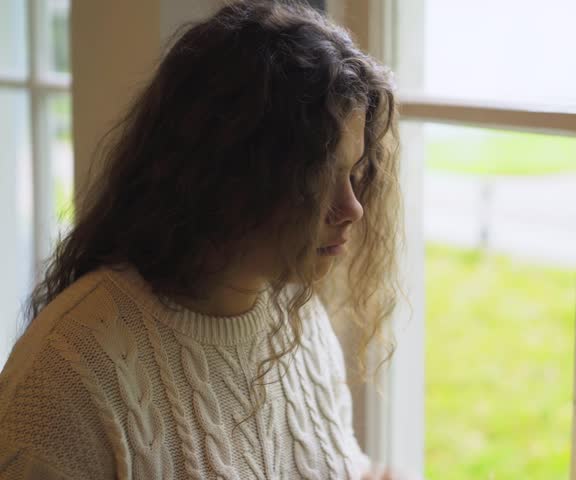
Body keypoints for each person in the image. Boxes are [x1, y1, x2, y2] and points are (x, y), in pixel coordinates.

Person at [0, 1, 409, 478]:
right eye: (319, 176)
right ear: (227, 173)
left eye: (353, 172)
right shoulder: (69, 375)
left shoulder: (296, 317)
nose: (353, 208)